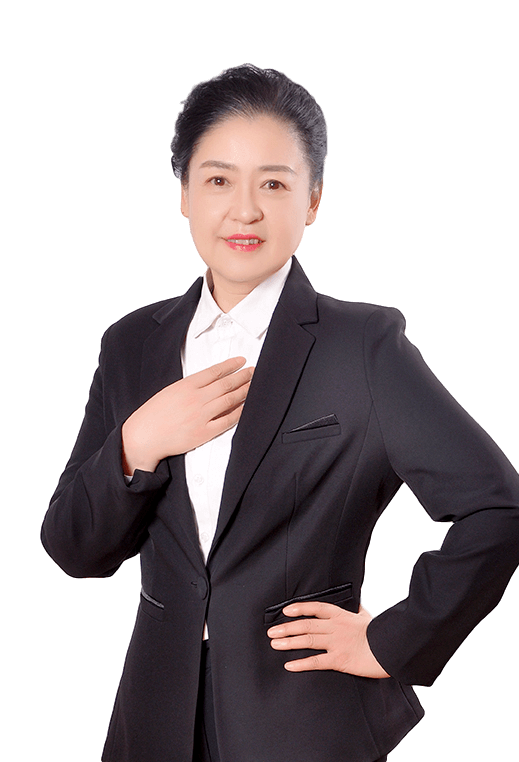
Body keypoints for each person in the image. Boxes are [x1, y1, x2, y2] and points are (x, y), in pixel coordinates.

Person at [41, 64, 519, 762]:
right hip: (153, 723)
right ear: (183, 195)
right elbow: (75, 549)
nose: (244, 211)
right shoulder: (131, 344)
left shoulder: (362, 345)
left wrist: (391, 641)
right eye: (218, 180)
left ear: (313, 200)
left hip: (303, 723)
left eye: (273, 184)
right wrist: (136, 442)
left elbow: (496, 507)